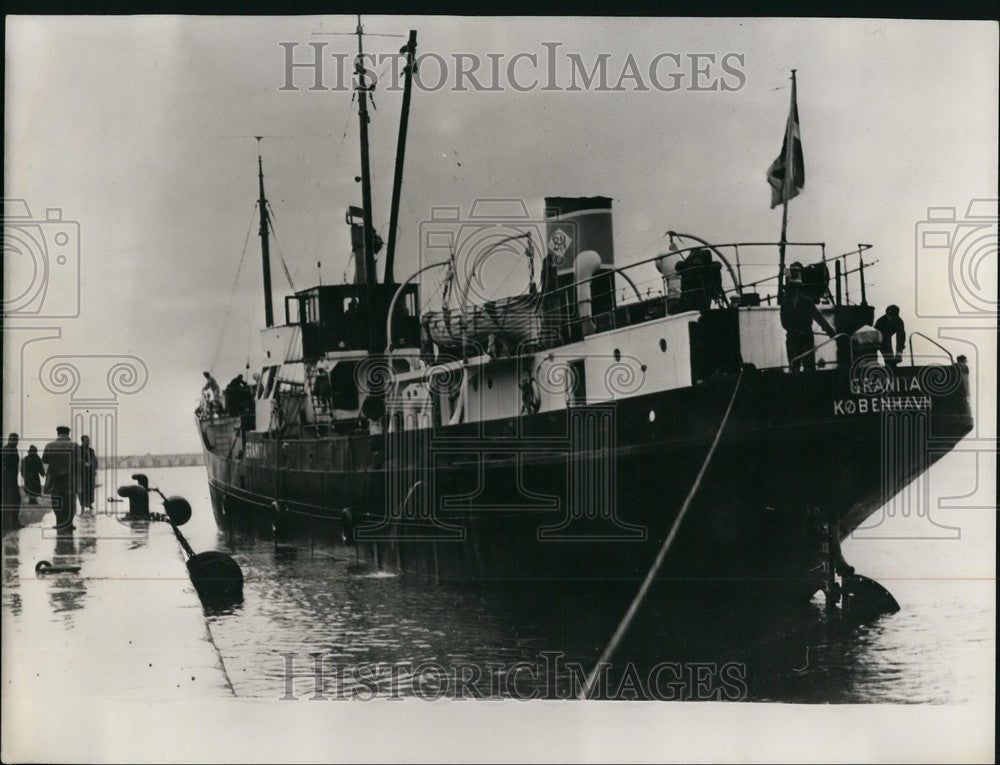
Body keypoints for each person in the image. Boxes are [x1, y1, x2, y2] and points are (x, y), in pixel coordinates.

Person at [780, 264, 837, 373]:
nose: (793, 291)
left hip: (806, 339)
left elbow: (819, 318)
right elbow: (784, 323)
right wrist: (796, 332)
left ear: (799, 288)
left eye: (795, 288)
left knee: (809, 369)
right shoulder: (785, 304)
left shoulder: (807, 302)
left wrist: (831, 333)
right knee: (794, 368)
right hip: (792, 340)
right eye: (791, 288)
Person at [42, 426, 76, 530]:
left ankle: (59, 522)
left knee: (57, 501)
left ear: (58, 433)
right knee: (70, 501)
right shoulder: (74, 446)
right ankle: (69, 524)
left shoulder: (49, 446)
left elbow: (45, 460)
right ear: (68, 433)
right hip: (70, 478)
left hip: (55, 479)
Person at [874, 305, 906, 369]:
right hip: (877, 337)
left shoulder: (899, 321)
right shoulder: (881, 321)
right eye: (890, 316)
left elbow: (901, 336)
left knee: (891, 361)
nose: (892, 319)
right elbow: (884, 340)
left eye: (894, 317)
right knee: (887, 355)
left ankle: (891, 367)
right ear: (887, 315)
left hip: (887, 337)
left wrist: (899, 353)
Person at [2, 433, 23, 531]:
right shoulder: (10, 449)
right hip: (9, 479)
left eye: (16, 439)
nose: (16, 441)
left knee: (11, 500)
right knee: (15, 499)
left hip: (10, 479)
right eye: (14, 439)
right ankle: (14, 522)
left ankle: (11, 522)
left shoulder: (8, 449)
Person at [76, 434, 98, 513]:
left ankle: (90, 504)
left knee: (90, 489)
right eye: (87, 440)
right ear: (83, 441)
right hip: (82, 473)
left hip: (91, 473)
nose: (88, 442)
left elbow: (95, 460)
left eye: (89, 440)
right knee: (82, 489)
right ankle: (82, 505)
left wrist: (94, 467)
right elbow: (78, 460)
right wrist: (84, 464)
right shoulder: (78, 449)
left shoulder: (91, 450)